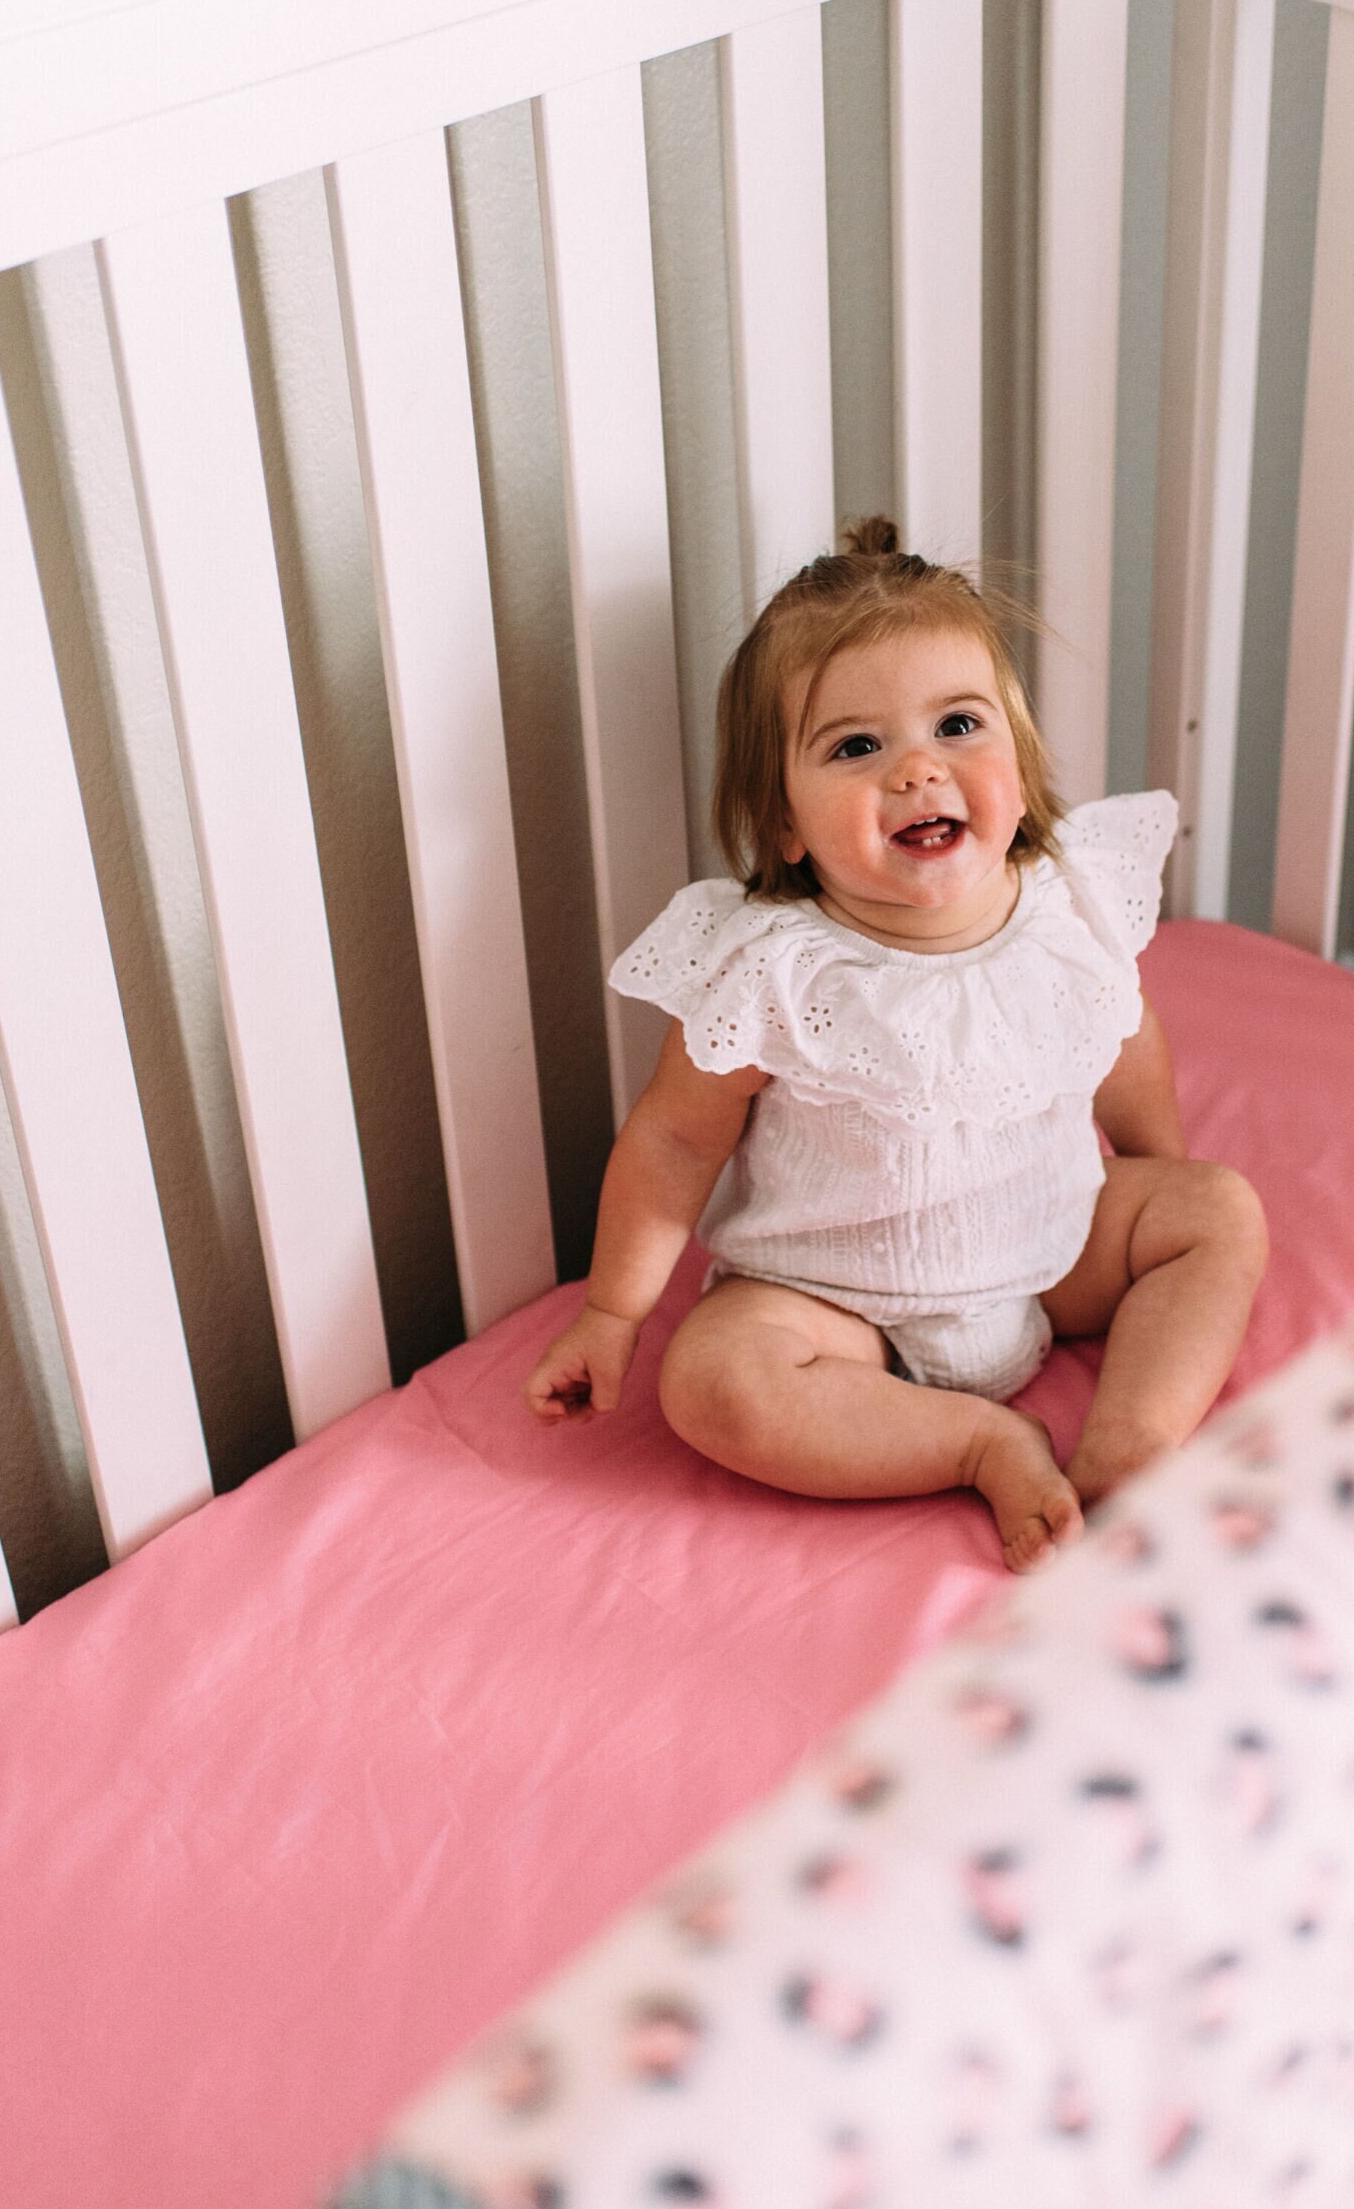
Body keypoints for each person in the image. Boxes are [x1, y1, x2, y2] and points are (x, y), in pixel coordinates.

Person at [524, 522, 1266, 1572]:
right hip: (835, 1303)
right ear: (784, 822)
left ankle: (1129, 1440)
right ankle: (979, 1444)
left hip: (1046, 1252)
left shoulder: (1068, 905)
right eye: (855, 747)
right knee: (713, 1380)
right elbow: (675, 1143)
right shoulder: (776, 968)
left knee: (1215, 1208)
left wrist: (1154, 1164)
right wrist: (611, 1313)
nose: (918, 769)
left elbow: (1121, 1036)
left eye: (957, 725)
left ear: (1017, 756)